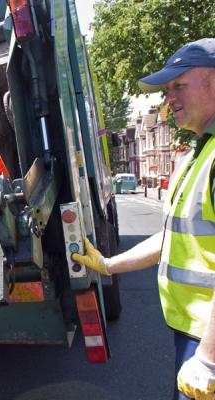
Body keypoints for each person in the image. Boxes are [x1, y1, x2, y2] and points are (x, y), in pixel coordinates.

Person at [73, 38, 215, 400]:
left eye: (179, 85)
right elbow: (172, 239)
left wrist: (209, 359)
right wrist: (107, 264)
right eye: (167, 90)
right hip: (194, 335)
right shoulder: (198, 155)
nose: (170, 98)